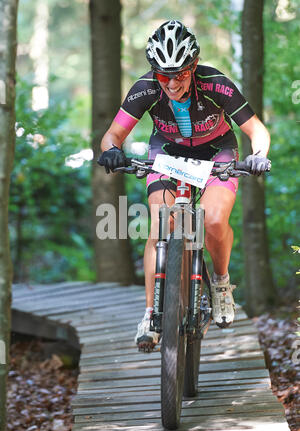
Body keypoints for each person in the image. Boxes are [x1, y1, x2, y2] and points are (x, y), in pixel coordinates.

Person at [98, 20, 271, 351]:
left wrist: (259, 155)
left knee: (214, 220)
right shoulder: (145, 88)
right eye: (164, 75)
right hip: (166, 151)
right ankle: (150, 315)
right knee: (161, 225)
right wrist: (111, 151)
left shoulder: (216, 83)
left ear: (193, 66)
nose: (172, 82)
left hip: (216, 151)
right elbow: (113, 134)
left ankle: (220, 284)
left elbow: (257, 130)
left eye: (180, 73)